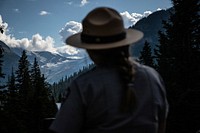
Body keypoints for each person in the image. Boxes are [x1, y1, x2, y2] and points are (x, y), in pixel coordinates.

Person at [49, 7, 168, 133]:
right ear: (125, 43)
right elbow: (161, 125)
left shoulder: (84, 86)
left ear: (90, 50)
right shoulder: (153, 77)